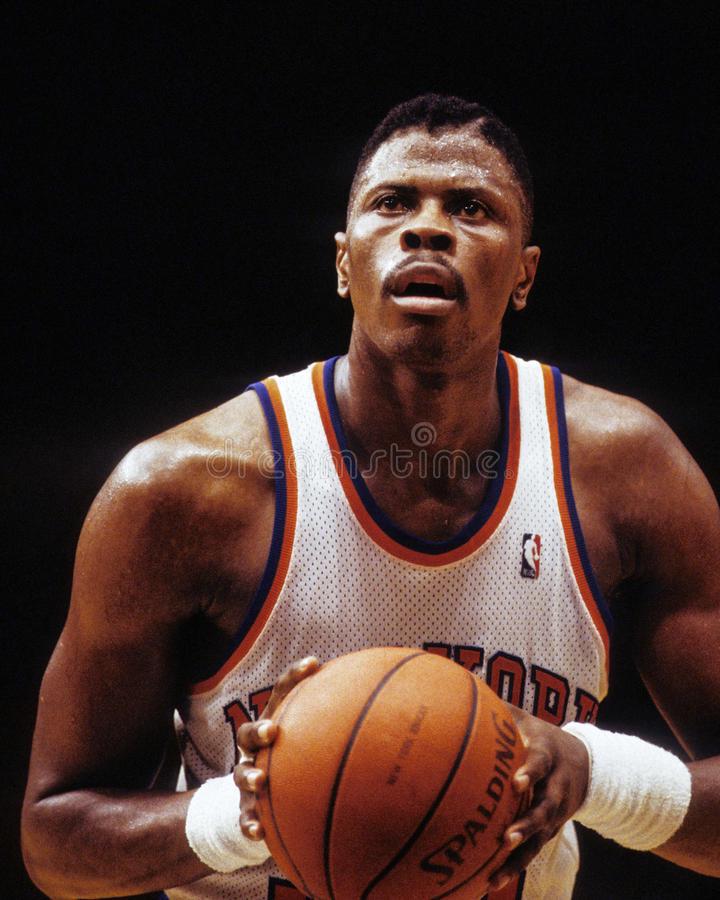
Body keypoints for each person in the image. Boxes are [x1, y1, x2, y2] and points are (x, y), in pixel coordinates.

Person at [22, 94, 720, 899]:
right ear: (344, 263)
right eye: (393, 203)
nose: (428, 228)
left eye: (471, 207)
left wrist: (598, 774)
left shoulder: (628, 474)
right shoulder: (186, 492)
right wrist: (243, 814)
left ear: (524, 275)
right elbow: (54, 840)